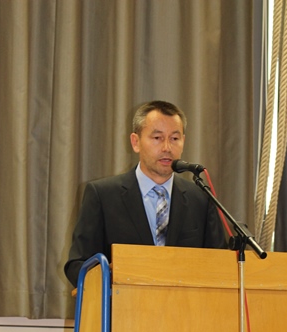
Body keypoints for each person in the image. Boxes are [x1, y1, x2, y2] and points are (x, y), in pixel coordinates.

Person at [64, 100, 227, 286]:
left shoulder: (201, 199)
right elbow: (77, 265)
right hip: (123, 301)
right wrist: (111, 277)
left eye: (174, 139)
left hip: (186, 303)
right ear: (136, 142)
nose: (167, 148)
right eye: (157, 138)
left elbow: (220, 265)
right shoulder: (103, 195)